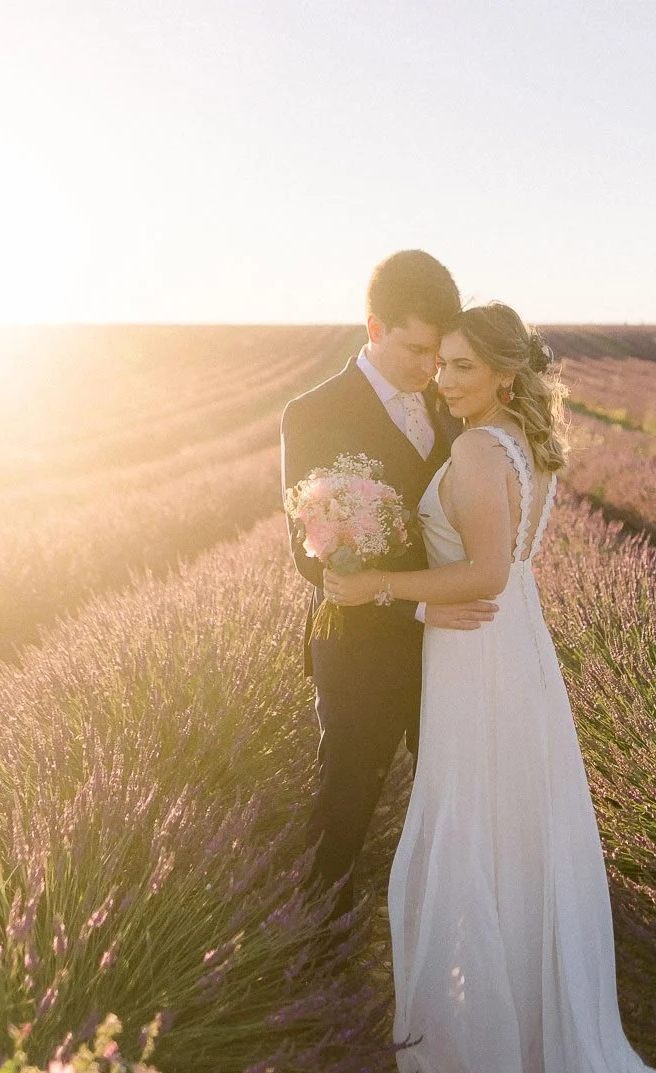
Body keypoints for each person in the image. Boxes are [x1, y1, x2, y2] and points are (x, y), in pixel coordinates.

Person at [324, 302, 656, 1073]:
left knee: (475, 834)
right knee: (507, 836)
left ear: (504, 374)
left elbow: (481, 578)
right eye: (445, 364)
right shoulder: (521, 444)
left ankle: (486, 1060)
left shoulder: (476, 450)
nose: (448, 379)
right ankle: (499, 1032)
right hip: (512, 662)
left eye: (465, 367)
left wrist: (372, 587)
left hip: (479, 658)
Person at [279, 250, 498, 925]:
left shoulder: (452, 403)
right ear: (373, 328)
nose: (429, 367)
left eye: (440, 352)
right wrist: (404, 594)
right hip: (362, 648)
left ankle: (449, 939)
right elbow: (308, 554)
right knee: (346, 800)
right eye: (414, 348)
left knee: (458, 800)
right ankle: (316, 951)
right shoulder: (313, 411)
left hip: (451, 644)